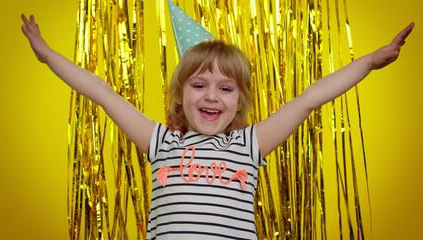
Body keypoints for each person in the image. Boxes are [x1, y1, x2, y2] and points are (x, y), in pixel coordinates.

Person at [21, 13, 413, 240]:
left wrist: (369, 63)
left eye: (225, 88)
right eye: (199, 85)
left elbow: (309, 99)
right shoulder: (160, 141)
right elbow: (102, 93)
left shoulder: (249, 144)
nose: (212, 96)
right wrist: (46, 55)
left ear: (239, 101)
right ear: (180, 95)